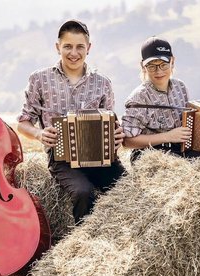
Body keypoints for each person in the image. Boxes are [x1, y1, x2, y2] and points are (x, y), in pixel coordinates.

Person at [17, 19, 125, 225]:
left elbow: (112, 123)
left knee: (128, 188)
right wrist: (40, 134)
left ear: (89, 48)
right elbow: (23, 122)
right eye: (67, 46)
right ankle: (83, 245)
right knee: (83, 192)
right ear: (58, 47)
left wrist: (118, 135)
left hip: (100, 158)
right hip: (61, 160)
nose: (73, 53)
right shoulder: (39, 79)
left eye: (79, 47)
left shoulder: (102, 83)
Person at [122, 36, 200, 169]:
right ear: (143, 66)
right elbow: (127, 141)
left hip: (180, 149)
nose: (159, 71)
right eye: (152, 66)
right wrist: (167, 136)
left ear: (172, 61)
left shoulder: (180, 87)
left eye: (163, 64)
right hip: (150, 154)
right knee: (177, 170)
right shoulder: (138, 97)